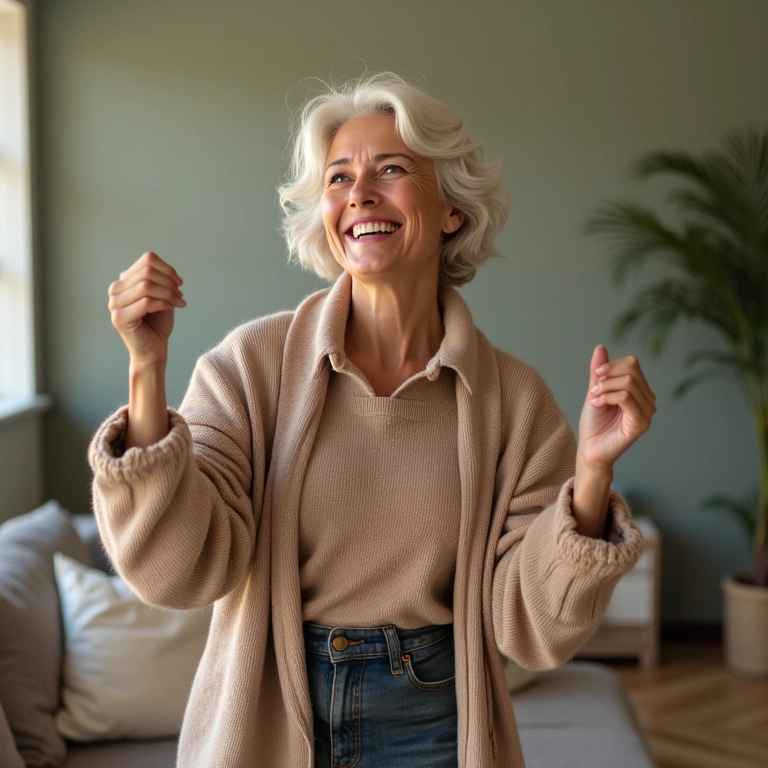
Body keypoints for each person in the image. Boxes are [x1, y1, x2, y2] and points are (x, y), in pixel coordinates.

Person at [91, 72, 656, 768]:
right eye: (338, 177)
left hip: (438, 724)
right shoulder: (248, 368)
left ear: (452, 208)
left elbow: (532, 630)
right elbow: (177, 574)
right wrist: (146, 370)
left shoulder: (515, 401)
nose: (359, 193)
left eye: (391, 169)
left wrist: (594, 471)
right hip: (272, 711)